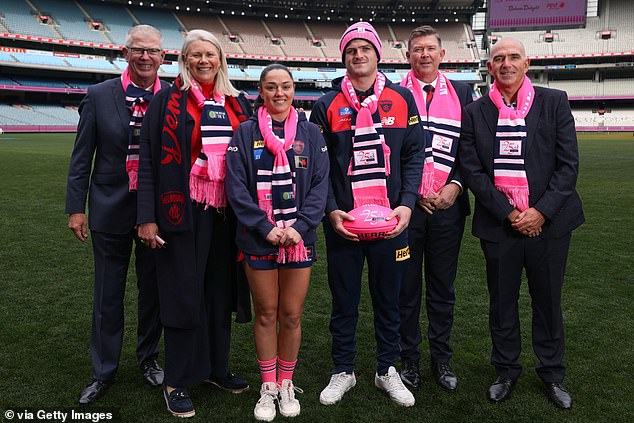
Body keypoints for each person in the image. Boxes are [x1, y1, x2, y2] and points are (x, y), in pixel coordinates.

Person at [459, 37, 584, 409]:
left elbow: (568, 166)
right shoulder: (476, 111)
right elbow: (472, 170)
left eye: (514, 57)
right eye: (499, 59)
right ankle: (506, 370)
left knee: (548, 301)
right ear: (490, 67)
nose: (506, 64)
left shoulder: (554, 102)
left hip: (550, 224)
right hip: (500, 226)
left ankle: (552, 374)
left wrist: (539, 212)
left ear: (526, 64)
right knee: (502, 302)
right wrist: (510, 213)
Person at [136, 29, 252, 418]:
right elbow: (149, 162)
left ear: (221, 59)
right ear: (184, 60)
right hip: (181, 211)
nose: (204, 61)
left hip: (226, 212)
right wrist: (147, 219)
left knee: (219, 292)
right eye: (195, 55)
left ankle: (216, 368)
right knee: (184, 294)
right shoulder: (167, 101)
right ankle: (176, 380)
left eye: (210, 54)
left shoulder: (237, 103)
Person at [310, 22, 424, 408]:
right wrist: (331, 211)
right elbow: (317, 166)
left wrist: (407, 203)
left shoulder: (403, 98)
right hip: (345, 223)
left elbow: (413, 157)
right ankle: (343, 369)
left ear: (378, 54)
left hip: (393, 224)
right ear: (343, 58)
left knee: (389, 299)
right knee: (344, 300)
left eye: (365, 48)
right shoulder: (325, 105)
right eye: (351, 50)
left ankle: (385, 369)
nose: (359, 55)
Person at [66, 24, 166, 405]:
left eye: (152, 51)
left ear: (162, 57)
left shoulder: (173, 97)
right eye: (138, 50)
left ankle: (149, 359)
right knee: (108, 294)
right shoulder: (98, 95)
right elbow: (81, 158)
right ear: (126, 53)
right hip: (109, 207)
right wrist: (76, 208)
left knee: (152, 292)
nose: (145, 57)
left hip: (155, 213)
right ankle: (103, 370)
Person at [226, 64, 329, 421]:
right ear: (261, 91)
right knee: (267, 313)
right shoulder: (244, 133)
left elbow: (320, 186)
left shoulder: (311, 133)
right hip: (259, 238)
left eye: (285, 86)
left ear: (293, 89)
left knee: (291, 314)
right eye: (271, 87)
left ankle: (287, 381)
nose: (279, 93)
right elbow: (236, 188)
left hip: (300, 239)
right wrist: (264, 227)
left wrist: (300, 226)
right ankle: (267, 385)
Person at [397, 25, 472, 392]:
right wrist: (411, 195)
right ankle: (408, 358)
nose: (424, 55)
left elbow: (470, 151)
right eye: (417, 50)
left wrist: (455, 187)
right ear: (408, 56)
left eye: (430, 49)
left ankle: (441, 358)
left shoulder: (462, 92)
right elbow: (388, 154)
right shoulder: (394, 94)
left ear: (443, 54)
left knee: (443, 289)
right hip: (407, 212)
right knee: (406, 289)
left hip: (448, 209)